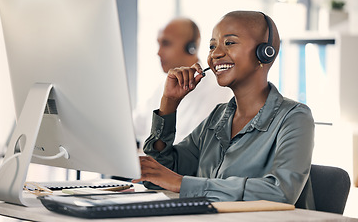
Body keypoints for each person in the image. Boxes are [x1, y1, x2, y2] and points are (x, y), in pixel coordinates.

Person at [132, 11, 315, 210]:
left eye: (229, 43)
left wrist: (182, 183)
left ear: (265, 52)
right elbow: (160, 175)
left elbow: (280, 192)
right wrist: (169, 104)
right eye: (212, 46)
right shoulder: (217, 118)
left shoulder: (295, 117)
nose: (215, 54)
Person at [133, 17, 232, 145]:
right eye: (159, 44)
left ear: (191, 48)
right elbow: (134, 126)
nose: (158, 52)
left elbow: (195, 148)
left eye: (166, 43)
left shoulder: (217, 89)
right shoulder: (163, 87)